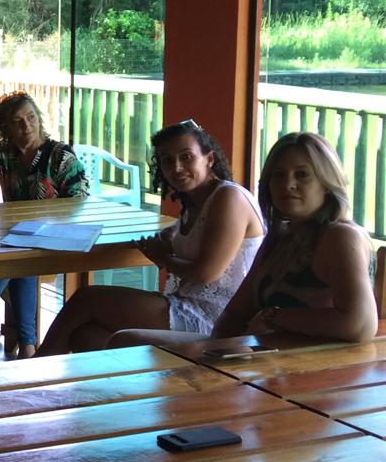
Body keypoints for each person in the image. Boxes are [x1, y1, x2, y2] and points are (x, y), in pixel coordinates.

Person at [112, 132, 377, 348]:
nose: (288, 185)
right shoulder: (280, 237)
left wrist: (275, 317)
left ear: (326, 181)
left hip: (307, 369)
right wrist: (215, 352)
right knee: (116, 340)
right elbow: (236, 312)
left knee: (120, 338)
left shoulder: (340, 237)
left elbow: (360, 324)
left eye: (302, 174)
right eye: (278, 175)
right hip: (255, 355)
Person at [35, 121, 265, 355]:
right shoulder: (193, 202)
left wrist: (163, 257)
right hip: (185, 304)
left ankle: (33, 376)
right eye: (167, 160)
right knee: (86, 337)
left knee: (86, 299)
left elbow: (206, 273)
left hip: (217, 319)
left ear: (209, 159)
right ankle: (103, 391)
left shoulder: (229, 197)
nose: (177, 168)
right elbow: (188, 237)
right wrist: (172, 236)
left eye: (186, 157)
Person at [0, 92, 89, 358]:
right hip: (21, 244)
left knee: (18, 248)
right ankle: (28, 346)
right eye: (17, 122)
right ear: (7, 129)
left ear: (39, 119)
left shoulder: (60, 155)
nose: (26, 126)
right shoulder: (7, 155)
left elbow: (80, 205)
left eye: (30, 118)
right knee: (20, 254)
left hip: (60, 239)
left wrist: (42, 223)